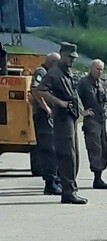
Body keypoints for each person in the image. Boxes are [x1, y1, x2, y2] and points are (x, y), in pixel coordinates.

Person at [33, 44, 85, 205]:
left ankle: (71, 189)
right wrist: (59, 103)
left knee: (74, 154)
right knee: (67, 155)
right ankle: (68, 191)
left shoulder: (66, 72)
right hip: (62, 119)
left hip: (71, 117)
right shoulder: (54, 73)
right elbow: (40, 90)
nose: (72, 60)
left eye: (74, 58)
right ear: (62, 55)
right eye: (70, 57)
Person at [77, 58, 107, 190]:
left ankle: (100, 176)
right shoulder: (84, 83)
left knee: (103, 148)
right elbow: (74, 97)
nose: (100, 72)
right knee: (95, 148)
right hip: (91, 121)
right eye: (97, 69)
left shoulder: (99, 83)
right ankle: (97, 178)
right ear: (91, 68)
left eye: (101, 69)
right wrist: (81, 111)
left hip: (101, 119)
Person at [31, 52, 60, 195]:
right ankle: (50, 183)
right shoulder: (41, 72)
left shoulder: (50, 73)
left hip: (50, 116)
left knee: (54, 148)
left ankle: (55, 180)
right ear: (52, 62)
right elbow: (35, 90)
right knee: (48, 149)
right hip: (43, 116)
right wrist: (46, 107)